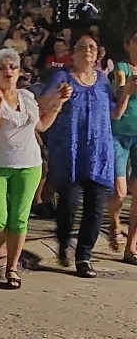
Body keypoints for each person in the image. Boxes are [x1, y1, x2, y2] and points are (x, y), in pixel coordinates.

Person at [40, 34, 122, 278]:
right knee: (69, 205)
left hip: (99, 152)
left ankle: (84, 256)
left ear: (98, 55)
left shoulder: (103, 81)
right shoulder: (61, 76)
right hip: (70, 152)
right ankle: (64, 241)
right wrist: (58, 97)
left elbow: (115, 114)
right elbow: (41, 103)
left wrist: (126, 91)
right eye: (82, 47)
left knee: (95, 208)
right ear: (73, 54)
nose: (88, 51)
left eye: (92, 48)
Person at [0, 49, 67, 288]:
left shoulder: (27, 96)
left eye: (12, 66)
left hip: (29, 164)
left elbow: (40, 126)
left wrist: (57, 104)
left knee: (19, 219)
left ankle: (11, 267)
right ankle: (1, 249)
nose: (8, 71)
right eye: (2, 68)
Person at [106, 27, 137, 261]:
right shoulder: (122, 68)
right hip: (119, 133)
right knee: (120, 190)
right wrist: (127, 89)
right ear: (128, 45)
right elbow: (115, 93)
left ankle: (131, 246)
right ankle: (114, 221)